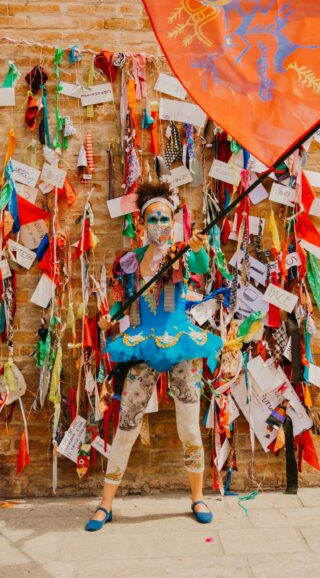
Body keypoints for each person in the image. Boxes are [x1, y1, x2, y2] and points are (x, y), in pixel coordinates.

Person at [85, 181, 223, 532]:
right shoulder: (129, 262)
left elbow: (202, 263)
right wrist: (110, 317)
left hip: (180, 346)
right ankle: (105, 504)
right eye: (154, 218)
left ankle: (197, 496)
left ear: (174, 222)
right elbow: (120, 301)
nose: (160, 224)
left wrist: (196, 248)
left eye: (166, 218)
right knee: (127, 426)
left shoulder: (182, 253)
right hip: (142, 346)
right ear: (142, 223)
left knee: (189, 428)